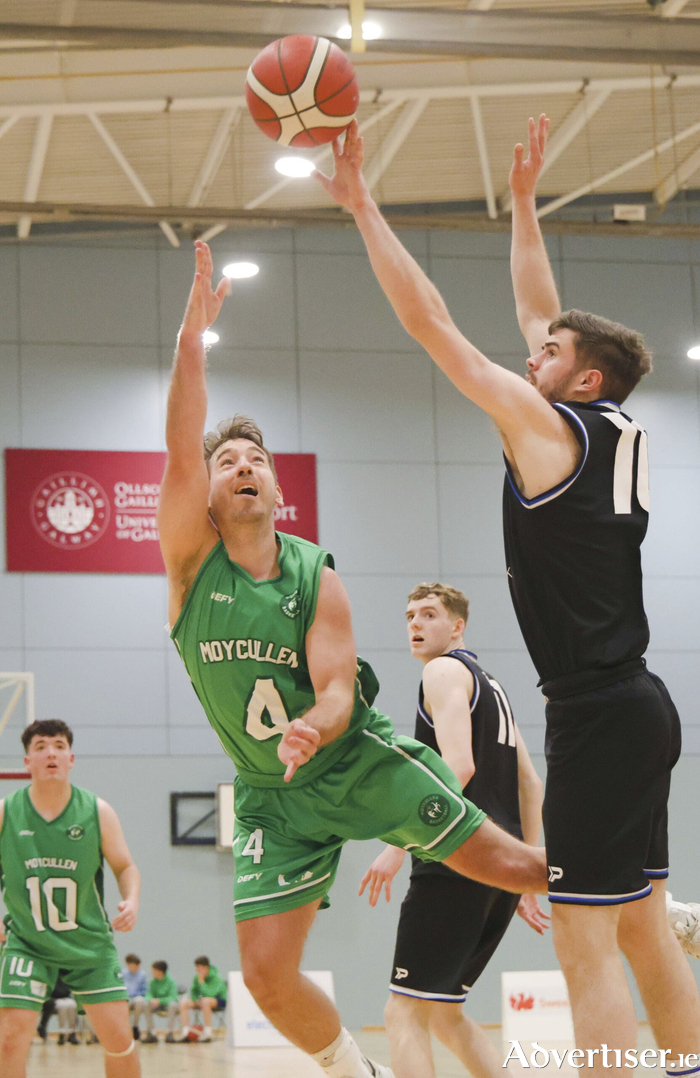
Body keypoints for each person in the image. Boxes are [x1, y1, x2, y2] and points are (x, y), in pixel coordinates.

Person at [316, 117, 700, 1075]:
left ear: (585, 376)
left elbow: (432, 324)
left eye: (551, 352)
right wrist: (523, 204)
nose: (533, 352)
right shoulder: (603, 426)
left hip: (598, 711)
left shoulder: (547, 430)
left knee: (585, 945)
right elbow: (542, 310)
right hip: (638, 705)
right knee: (647, 925)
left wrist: (364, 204)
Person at [158, 241, 547, 1078]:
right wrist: (191, 340)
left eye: (257, 458)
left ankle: (659, 908)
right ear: (209, 499)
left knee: (515, 867)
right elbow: (181, 430)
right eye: (226, 462)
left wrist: (312, 727)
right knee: (264, 973)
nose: (244, 466)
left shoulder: (314, 573)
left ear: (275, 487)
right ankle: (353, 1070)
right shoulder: (192, 565)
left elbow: (337, 689)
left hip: (350, 758)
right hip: (270, 798)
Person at [359, 583, 548, 1078]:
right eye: (409, 616)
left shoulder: (443, 671)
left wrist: (396, 843)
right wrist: (525, 868)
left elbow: (457, 768)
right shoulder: (492, 684)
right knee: (444, 1013)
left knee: (401, 1012)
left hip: (457, 858)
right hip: (499, 870)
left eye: (428, 614)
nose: (415, 625)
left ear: (457, 626)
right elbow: (531, 782)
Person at [0, 719, 142, 1078]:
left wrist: (132, 899)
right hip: (28, 943)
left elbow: (126, 867)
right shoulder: (5, 812)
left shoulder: (97, 811)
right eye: (41, 746)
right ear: (27, 761)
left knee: (119, 1040)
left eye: (59, 746)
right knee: (8, 1038)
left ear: (71, 758)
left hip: (89, 945)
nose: (51, 752)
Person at [177, 956, 226, 1043]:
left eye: (200, 967)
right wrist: (195, 999)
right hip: (203, 1000)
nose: (197, 970)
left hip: (219, 1000)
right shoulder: (196, 978)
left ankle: (208, 1033)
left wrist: (202, 981)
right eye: (196, 967)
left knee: (205, 1001)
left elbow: (211, 994)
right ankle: (186, 1032)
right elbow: (194, 991)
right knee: (183, 1003)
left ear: (206, 967)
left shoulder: (216, 977)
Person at [143, 960, 179, 1043]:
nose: (152, 972)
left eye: (154, 970)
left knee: (173, 1005)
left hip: (167, 1005)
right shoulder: (153, 982)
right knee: (145, 1004)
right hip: (156, 1005)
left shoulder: (171, 981)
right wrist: (151, 1000)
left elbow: (173, 997)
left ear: (160, 972)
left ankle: (169, 1033)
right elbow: (148, 994)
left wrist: (160, 1000)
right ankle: (151, 1033)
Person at [36, 976, 78, 1045]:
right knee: (62, 1007)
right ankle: (62, 1033)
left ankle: (72, 1032)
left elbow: (67, 991)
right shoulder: (51, 977)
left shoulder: (65, 977)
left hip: (65, 998)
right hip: (54, 999)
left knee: (72, 1005)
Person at [121, 953, 147, 1041]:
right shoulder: (122, 974)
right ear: (128, 965)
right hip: (125, 999)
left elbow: (144, 991)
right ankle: (123, 1030)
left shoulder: (142, 975)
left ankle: (135, 1026)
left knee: (140, 1000)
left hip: (136, 999)